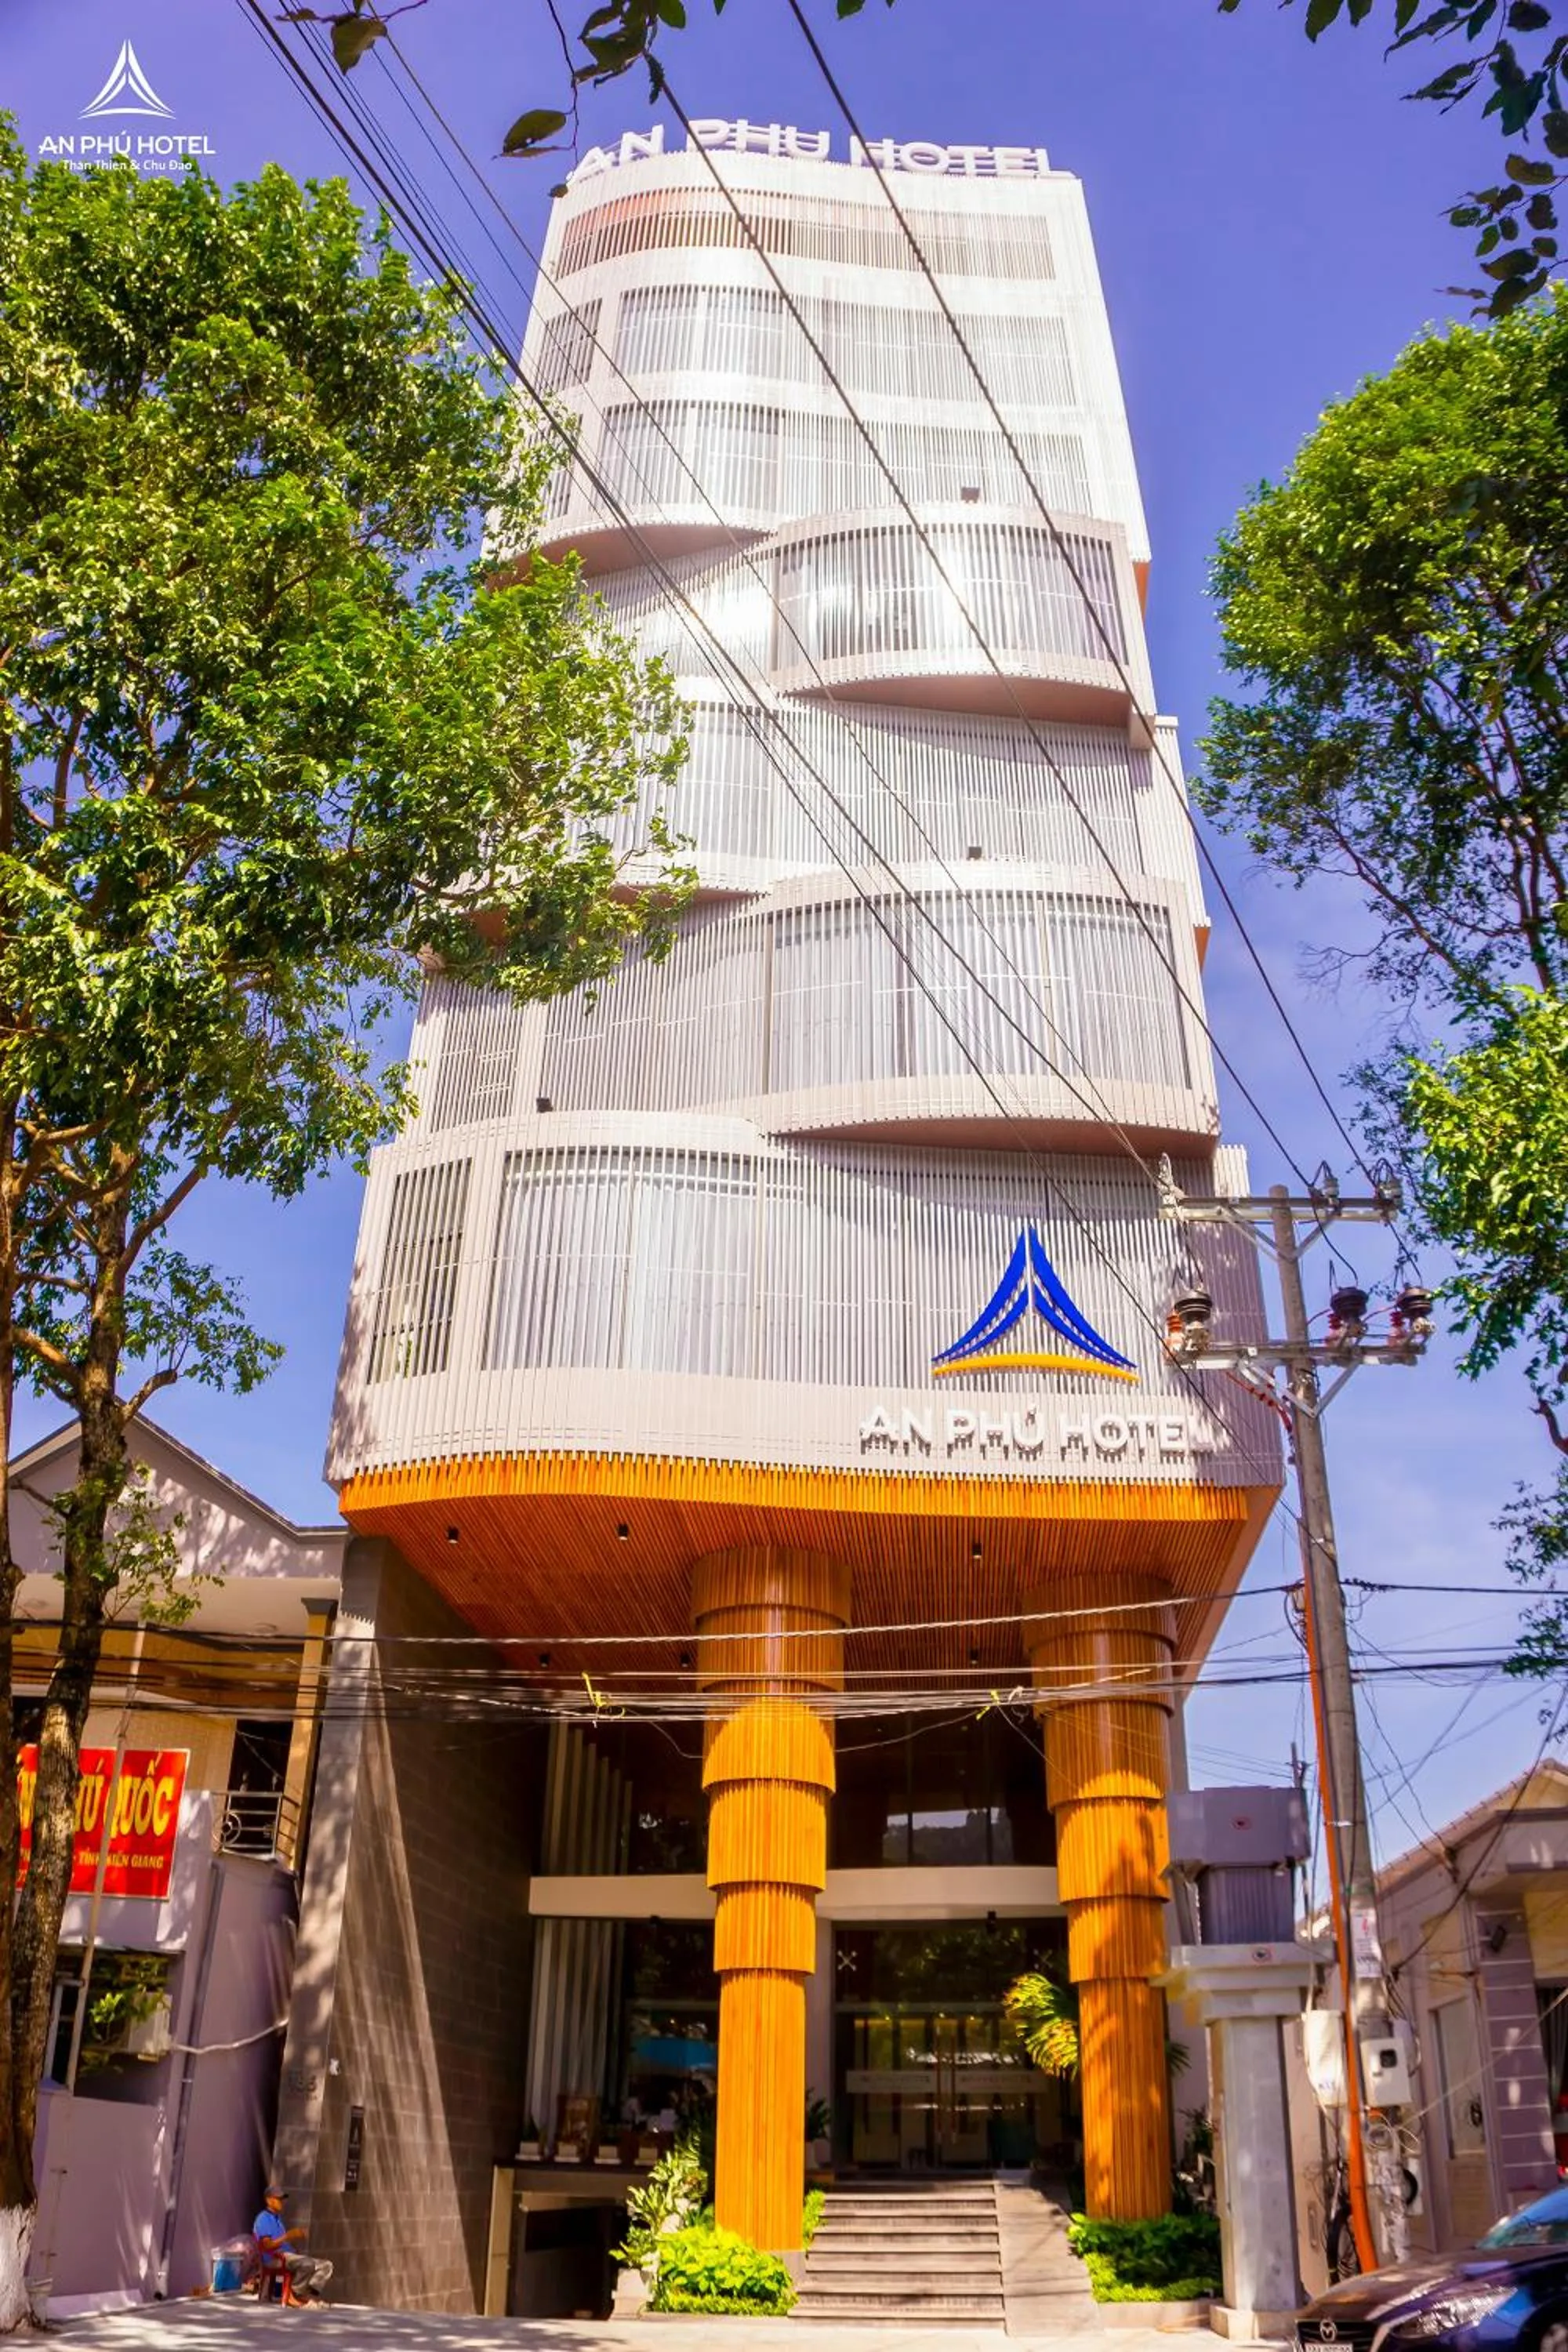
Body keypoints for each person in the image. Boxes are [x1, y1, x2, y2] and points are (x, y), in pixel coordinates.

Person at [252, 2185, 333, 2305]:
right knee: (307, 2263)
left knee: (326, 2266)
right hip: (274, 2258)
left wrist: (295, 2240)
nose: (282, 2202)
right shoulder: (263, 2219)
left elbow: (284, 2243)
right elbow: (267, 2246)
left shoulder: (277, 2219)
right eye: (278, 2199)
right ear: (269, 2200)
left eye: (282, 2199)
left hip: (288, 2256)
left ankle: (303, 2293)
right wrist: (288, 2236)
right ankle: (292, 2294)